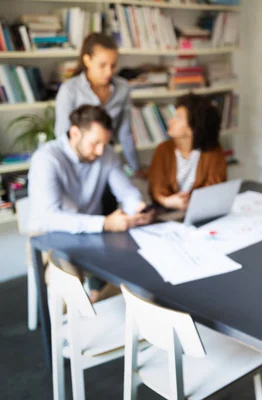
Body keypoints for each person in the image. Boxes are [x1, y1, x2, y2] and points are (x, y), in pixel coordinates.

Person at [28, 105, 153, 301]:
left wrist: (137, 208)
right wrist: (104, 223)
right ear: (75, 133)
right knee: (68, 283)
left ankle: (98, 300)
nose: (101, 150)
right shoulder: (46, 158)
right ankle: (69, 325)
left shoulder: (106, 153)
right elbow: (49, 218)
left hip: (93, 234)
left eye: (104, 143)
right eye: (95, 143)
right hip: (51, 234)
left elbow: (126, 191)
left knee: (138, 268)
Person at [54, 32, 142, 176]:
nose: (108, 72)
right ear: (87, 60)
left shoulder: (123, 88)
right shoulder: (69, 90)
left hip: (107, 159)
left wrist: (136, 168)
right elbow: (62, 135)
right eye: (102, 65)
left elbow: (125, 133)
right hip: (78, 162)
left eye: (113, 66)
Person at [147, 94, 227, 211]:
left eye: (178, 118)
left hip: (202, 210)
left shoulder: (213, 151)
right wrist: (169, 201)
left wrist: (191, 202)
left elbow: (215, 188)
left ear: (193, 128)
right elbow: (157, 187)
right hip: (168, 211)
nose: (170, 120)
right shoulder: (163, 150)